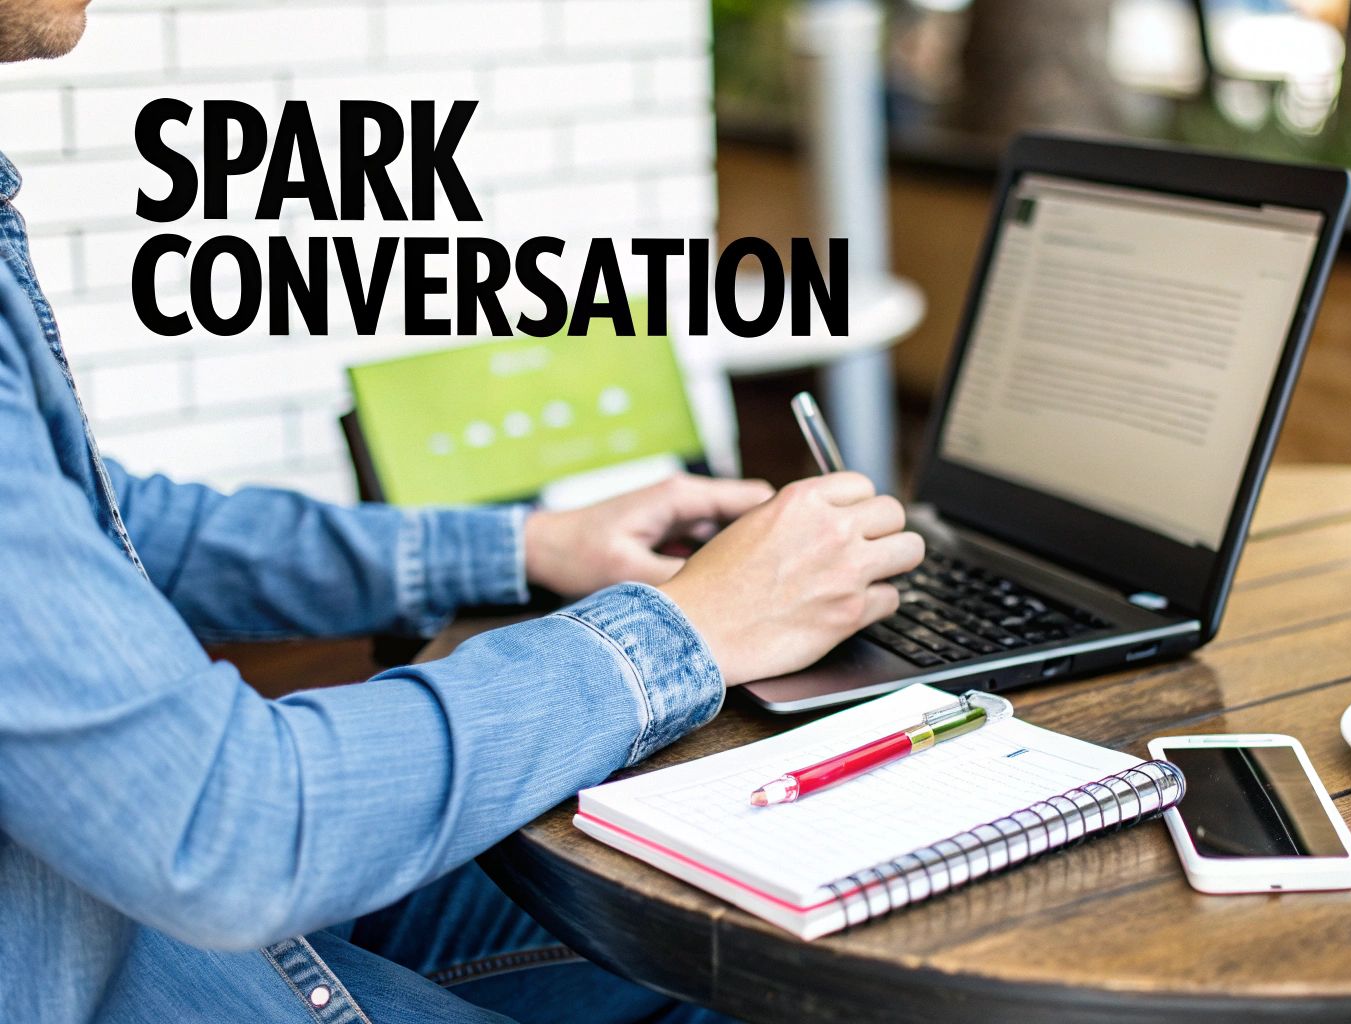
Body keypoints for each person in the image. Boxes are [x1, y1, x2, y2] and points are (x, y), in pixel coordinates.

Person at [0, 2, 925, 1021]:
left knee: (769, 931)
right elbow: (226, 825)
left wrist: (525, 541)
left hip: (131, 917)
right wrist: (685, 630)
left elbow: (120, 521)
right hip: (126, 965)